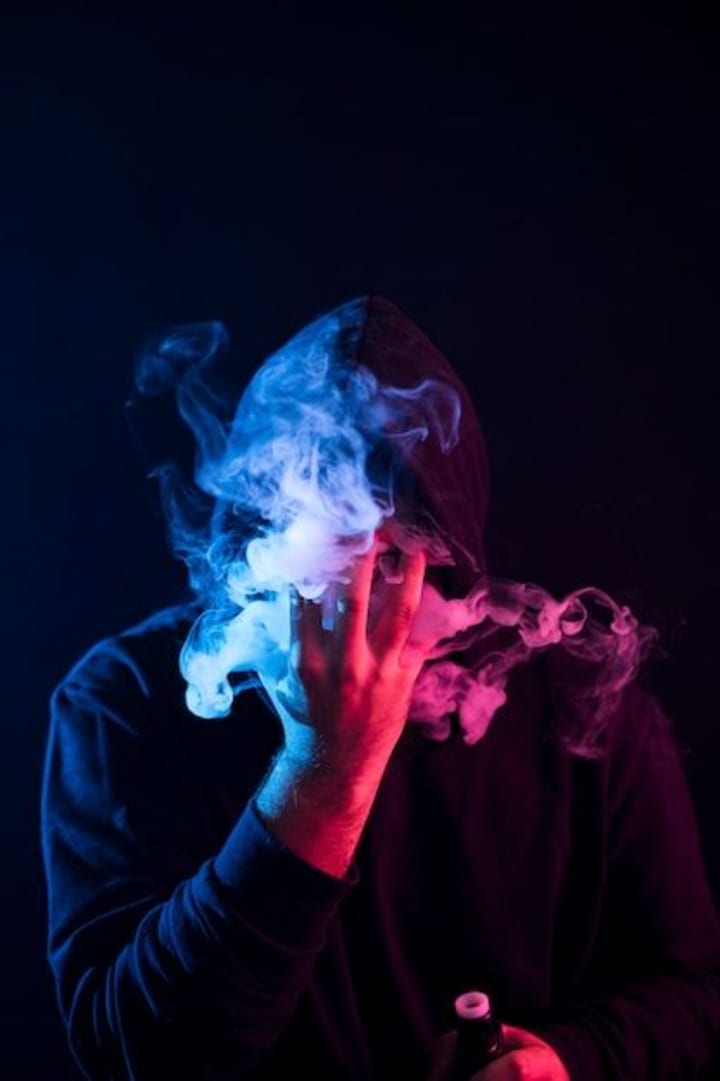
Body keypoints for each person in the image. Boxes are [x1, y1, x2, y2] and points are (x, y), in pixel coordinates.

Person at [41, 296, 720, 1081]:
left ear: (450, 557)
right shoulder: (123, 703)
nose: (352, 599)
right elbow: (132, 1052)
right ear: (255, 545)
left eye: (393, 558)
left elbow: (690, 989)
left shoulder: (577, 710)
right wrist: (327, 766)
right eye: (321, 554)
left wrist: (568, 1059)